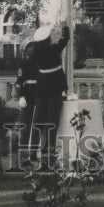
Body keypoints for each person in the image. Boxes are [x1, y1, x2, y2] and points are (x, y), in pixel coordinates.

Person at [32, 22, 70, 167]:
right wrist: (65, 30)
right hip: (54, 86)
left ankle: (33, 151)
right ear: (48, 39)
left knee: (38, 119)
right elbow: (64, 40)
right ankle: (49, 152)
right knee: (51, 120)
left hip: (41, 86)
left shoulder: (36, 51)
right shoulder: (53, 49)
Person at [15, 40, 39, 158]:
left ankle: (34, 152)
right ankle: (24, 153)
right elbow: (19, 82)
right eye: (29, 49)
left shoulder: (42, 62)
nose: (31, 51)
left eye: (33, 48)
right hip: (28, 95)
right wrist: (21, 96)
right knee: (26, 125)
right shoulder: (23, 64)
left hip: (39, 95)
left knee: (37, 126)